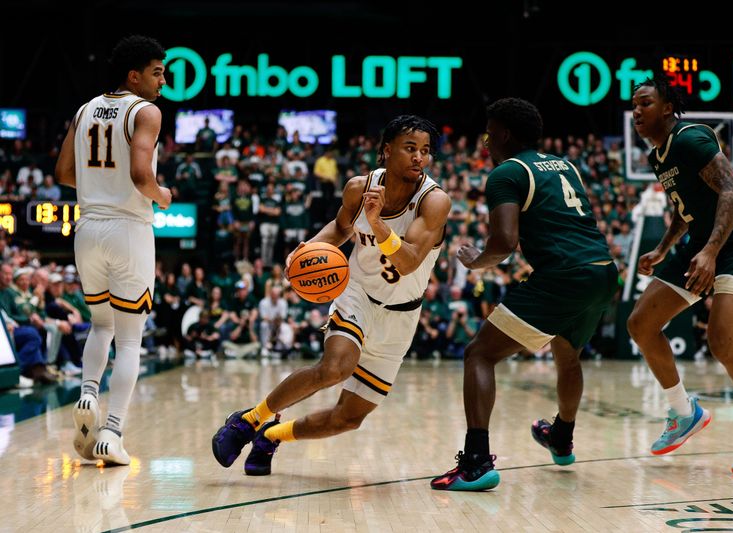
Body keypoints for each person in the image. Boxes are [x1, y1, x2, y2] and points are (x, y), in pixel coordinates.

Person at [211, 115, 450, 476]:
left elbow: (409, 261)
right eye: (410, 148)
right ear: (387, 151)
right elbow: (340, 229)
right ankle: (249, 419)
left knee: (348, 418)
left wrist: (378, 222)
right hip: (358, 295)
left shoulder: (434, 201)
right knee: (336, 367)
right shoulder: (359, 187)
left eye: (425, 151)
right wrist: (306, 249)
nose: (419, 157)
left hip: (402, 315)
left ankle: (272, 435)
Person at [430, 97, 618, 491]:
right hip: (602, 271)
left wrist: (476, 260)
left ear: (504, 133)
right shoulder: (566, 165)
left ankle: (476, 463)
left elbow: (504, 243)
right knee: (568, 355)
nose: (485, 140)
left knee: (479, 354)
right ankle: (560, 436)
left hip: (563, 275)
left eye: (489, 131)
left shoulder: (506, 173)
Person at [627, 76, 733, 474]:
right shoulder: (657, 156)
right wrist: (663, 248)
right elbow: (686, 208)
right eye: (633, 105)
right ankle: (684, 412)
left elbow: (732, 191)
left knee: (720, 340)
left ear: (667, 108)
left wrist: (712, 251)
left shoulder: (690, 138)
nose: (636, 111)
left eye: (645, 103)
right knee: (641, 324)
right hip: (700, 244)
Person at [55, 35, 171, 465]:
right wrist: (163, 195)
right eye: (157, 72)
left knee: (99, 325)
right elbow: (142, 175)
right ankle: (113, 433)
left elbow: (64, 172)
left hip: (87, 228)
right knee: (129, 341)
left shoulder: (84, 109)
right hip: (129, 230)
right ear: (133, 75)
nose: (163, 80)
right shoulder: (146, 112)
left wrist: (97, 185)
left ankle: (88, 393)